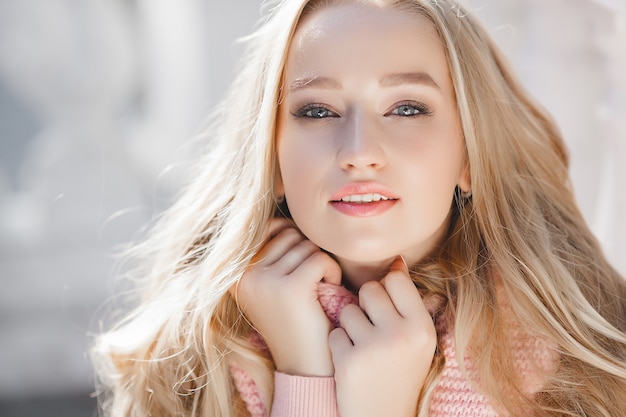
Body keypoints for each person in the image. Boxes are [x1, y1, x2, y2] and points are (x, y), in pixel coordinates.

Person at [90, 0, 626, 416]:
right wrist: (304, 372)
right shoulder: (195, 354)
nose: (359, 152)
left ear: (470, 156)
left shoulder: (570, 364)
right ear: (271, 157)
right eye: (318, 110)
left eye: (408, 108)